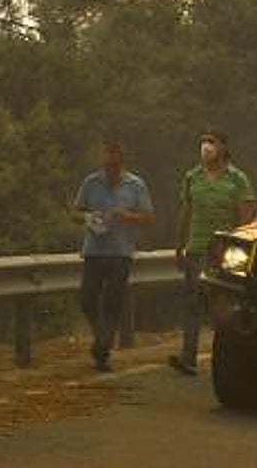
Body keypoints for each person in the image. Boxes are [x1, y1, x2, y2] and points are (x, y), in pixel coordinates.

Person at [169, 129, 255, 376]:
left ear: (224, 148)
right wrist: (179, 245)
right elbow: (185, 212)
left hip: (223, 253)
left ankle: (229, 358)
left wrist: (240, 250)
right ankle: (189, 357)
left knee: (224, 308)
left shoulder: (237, 179)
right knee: (192, 303)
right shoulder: (192, 177)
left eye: (212, 142)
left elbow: (246, 216)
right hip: (197, 248)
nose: (206, 147)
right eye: (203, 142)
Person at [71, 140, 155, 371]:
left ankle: (103, 349)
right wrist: (89, 218)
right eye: (106, 165)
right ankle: (102, 337)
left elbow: (148, 217)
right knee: (87, 297)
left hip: (120, 252)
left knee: (112, 301)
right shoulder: (91, 182)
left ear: (120, 164)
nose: (109, 170)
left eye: (113, 166)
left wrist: (127, 216)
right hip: (94, 250)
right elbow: (75, 211)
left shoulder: (135, 185)